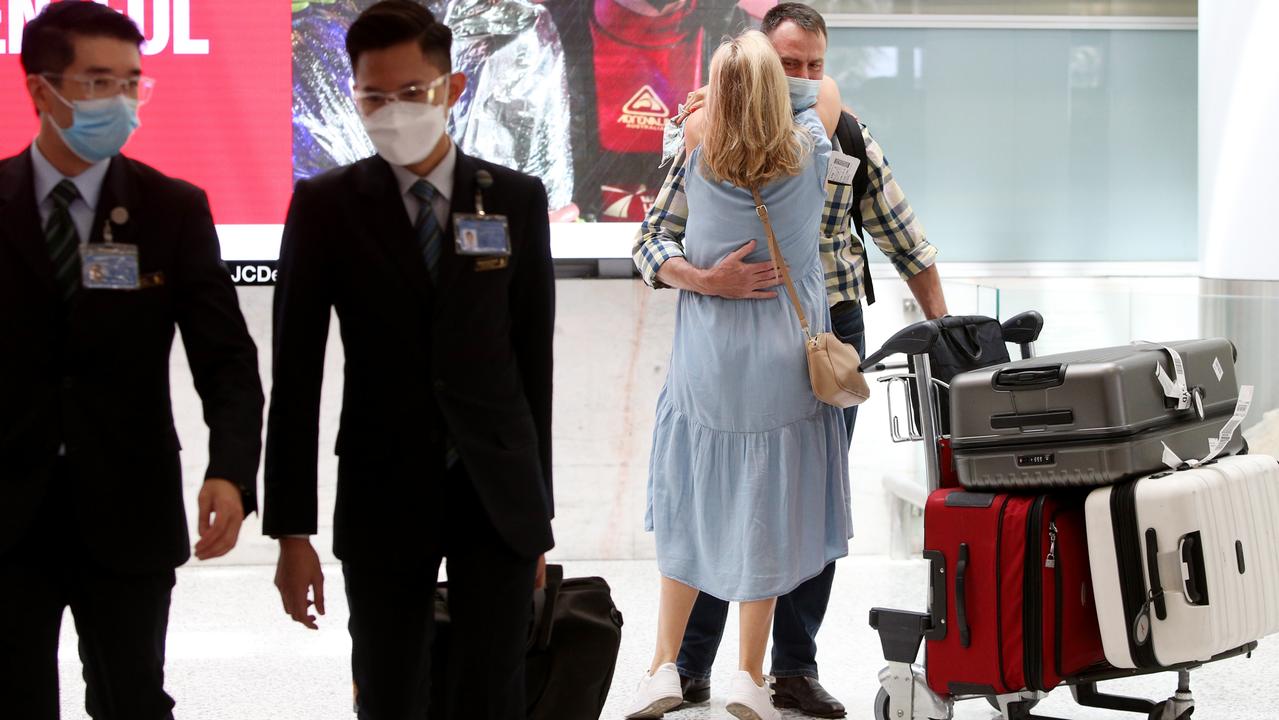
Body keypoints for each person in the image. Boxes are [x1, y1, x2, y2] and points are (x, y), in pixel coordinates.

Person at [632, 4, 949, 717]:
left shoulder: (839, 136)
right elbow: (656, 240)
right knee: (739, 491)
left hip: (826, 335)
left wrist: (947, 331)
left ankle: (792, 668)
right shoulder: (708, 132)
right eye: (788, 66)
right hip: (740, 332)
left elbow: (905, 239)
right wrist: (703, 278)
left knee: (795, 498)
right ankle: (691, 667)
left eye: (815, 65)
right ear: (762, 69)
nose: (805, 79)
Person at [263, 3, 555, 719]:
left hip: (496, 493)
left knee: (493, 692)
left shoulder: (515, 199)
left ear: (452, 88)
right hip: (381, 488)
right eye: (374, 97)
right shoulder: (327, 204)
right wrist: (291, 532)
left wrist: (536, 518)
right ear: (355, 94)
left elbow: (531, 364)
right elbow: (295, 375)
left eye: (412, 93)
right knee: (390, 691)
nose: (393, 111)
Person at [0, 4, 264, 719]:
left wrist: (232, 470)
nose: (118, 101)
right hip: (4, 511)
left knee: (132, 700)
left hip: (127, 507)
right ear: (40, 91)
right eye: (96, 82)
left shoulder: (170, 210)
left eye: (131, 83)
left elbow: (227, 359)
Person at [625, 30, 848, 720]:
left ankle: (664, 667)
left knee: (692, 508)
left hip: (708, 362)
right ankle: (749, 677)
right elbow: (826, 93)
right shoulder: (813, 146)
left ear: (718, 94)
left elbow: (647, 244)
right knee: (766, 514)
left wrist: (702, 278)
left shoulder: (693, 149)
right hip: (782, 363)